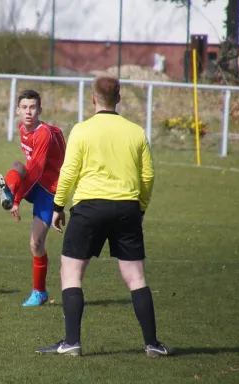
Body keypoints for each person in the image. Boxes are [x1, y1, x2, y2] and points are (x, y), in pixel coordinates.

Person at [35, 74, 172, 358]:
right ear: (119, 98)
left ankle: (71, 341)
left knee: (71, 272)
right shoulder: (135, 131)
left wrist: (58, 206)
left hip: (90, 208)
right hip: (127, 208)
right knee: (135, 277)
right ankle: (152, 344)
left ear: (93, 98)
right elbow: (148, 175)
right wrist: (140, 208)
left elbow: (69, 171)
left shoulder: (82, 130)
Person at [0, 90, 66, 306]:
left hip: (48, 189)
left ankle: (39, 292)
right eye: (24, 107)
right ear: (17, 110)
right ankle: (7, 192)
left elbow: (35, 170)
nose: (28, 112)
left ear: (40, 110)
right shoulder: (22, 129)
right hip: (34, 182)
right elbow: (29, 167)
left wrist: (18, 199)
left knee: (36, 243)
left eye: (32, 107)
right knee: (17, 165)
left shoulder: (43, 133)